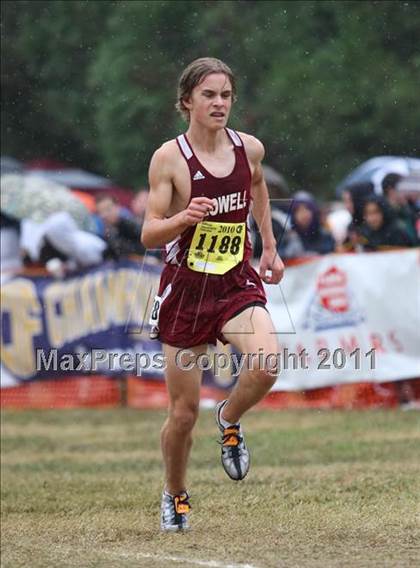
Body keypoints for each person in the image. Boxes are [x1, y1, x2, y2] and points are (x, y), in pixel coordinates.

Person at [141, 57, 284, 532]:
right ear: (187, 102)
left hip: (235, 281)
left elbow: (258, 186)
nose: (219, 103)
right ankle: (175, 494)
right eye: (209, 95)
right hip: (186, 291)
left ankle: (228, 417)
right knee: (182, 414)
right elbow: (148, 235)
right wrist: (184, 218)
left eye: (225, 95)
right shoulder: (169, 158)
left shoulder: (249, 149)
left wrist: (269, 245)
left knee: (266, 365)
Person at [279, 191, 335, 258]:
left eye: (307, 209)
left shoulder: (325, 236)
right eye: (298, 210)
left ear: (313, 211)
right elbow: (279, 256)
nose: (303, 214)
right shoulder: (287, 237)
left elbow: (331, 255)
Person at [95, 194, 145, 259]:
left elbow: (147, 248)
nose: (105, 214)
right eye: (101, 211)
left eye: (108, 209)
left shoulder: (130, 225)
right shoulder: (103, 231)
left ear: (117, 207)